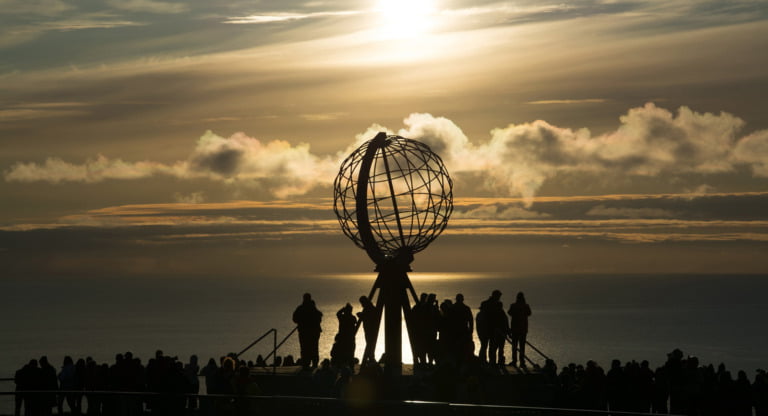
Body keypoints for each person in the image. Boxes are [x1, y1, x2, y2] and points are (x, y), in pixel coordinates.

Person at [293, 293, 323, 368]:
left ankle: (306, 363)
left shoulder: (301, 308)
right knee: (314, 347)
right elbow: (319, 317)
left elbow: (294, 318)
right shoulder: (313, 308)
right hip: (313, 332)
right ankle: (314, 363)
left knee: (305, 348)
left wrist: (301, 321)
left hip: (305, 332)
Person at [479, 290, 507, 367]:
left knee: (489, 346)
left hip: (491, 329)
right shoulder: (494, 304)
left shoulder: (488, 304)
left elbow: (502, 317)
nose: (499, 298)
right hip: (489, 328)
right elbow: (502, 317)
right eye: (498, 296)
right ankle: (488, 362)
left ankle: (488, 362)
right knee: (488, 346)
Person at [507, 291, 532, 367]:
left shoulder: (513, 306)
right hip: (523, 329)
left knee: (514, 346)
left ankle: (514, 361)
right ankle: (522, 362)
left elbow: (509, 313)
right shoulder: (526, 306)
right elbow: (529, 313)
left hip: (515, 329)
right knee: (522, 346)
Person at [331, 303, 357, 368]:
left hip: (343, 337)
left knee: (342, 351)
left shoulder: (343, 317)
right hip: (349, 337)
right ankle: (350, 366)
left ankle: (342, 365)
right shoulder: (353, 318)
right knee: (350, 352)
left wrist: (343, 309)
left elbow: (338, 313)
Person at [357, 295, 378, 365]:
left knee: (370, 344)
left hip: (370, 329)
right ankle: (371, 357)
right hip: (369, 329)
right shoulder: (370, 308)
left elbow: (367, 317)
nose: (361, 305)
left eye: (362, 303)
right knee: (370, 344)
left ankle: (371, 358)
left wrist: (361, 315)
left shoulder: (369, 308)